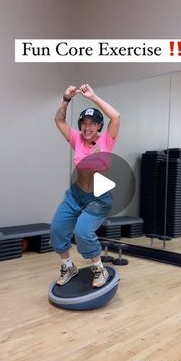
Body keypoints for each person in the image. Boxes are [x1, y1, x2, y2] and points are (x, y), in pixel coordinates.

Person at [50, 83, 120, 288]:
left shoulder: (108, 140)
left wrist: (93, 97)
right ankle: (68, 266)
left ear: (99, 126)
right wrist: (66, 98)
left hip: (98, 199)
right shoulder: (76, 139)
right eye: (84, 123)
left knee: (82, 232)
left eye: (93, 123)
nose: (87, 127)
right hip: (75, 195)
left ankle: (100, 269)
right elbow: (59, 119)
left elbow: (116, 116)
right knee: (57, 230)